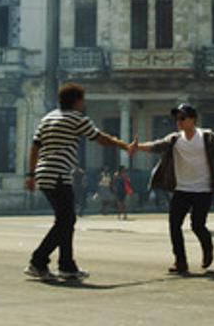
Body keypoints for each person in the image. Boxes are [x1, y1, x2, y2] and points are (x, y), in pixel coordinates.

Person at [24, 83, 133, 281]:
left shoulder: (48, 118)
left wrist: (30, 175)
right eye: (82, 100)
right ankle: (38, 261)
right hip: (58, 174)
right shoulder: (76, 119)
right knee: (67, 220)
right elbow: (101, 139)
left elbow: (34, 147)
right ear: (76, 101)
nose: (84, 104)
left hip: (43, 173)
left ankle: (67, 265)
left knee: (65, 220)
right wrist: (124, 146)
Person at [130, 103, 214, 274]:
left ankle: (207, 249)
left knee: (198, 225)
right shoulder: (175, 139)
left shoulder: (207, 137)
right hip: (182, 190)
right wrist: (137, 147)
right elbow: (156, 146)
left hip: (203, 189)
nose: (179, 122)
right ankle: (180, 261)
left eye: (183, 118)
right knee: (174, 225)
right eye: (177, 119)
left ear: (193, 119)